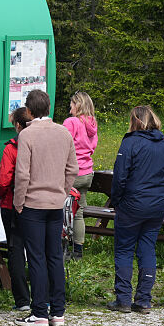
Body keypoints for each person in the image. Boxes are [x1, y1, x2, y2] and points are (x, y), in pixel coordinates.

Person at [13, 89, 77, 326]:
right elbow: (72, 168)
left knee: (36, 257)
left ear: (28, 111)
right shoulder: (64, 133)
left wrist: (19, 201)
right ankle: (57, 311)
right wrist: (62, 190)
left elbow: (22, 174)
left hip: (32, 202)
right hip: (55, 202)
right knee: (54, 257)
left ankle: (39, 312)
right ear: (48, 107)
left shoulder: (27, 135)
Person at [107, 105, 164, 315]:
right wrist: (163, 198)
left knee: (125, 249)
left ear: (135, 121)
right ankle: (144, 300)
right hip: (156, 205)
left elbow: (119, 177)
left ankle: (123, 299)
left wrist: (116, 201)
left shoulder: (129, 143)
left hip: (132, 204)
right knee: (147, 248)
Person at [0, 107, 33, 313]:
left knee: (15, 250)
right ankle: (43, 295)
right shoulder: (40, 143)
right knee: (38, 250)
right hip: (39, 203)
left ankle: (22, 299)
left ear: (17, 125)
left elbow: (3, 179)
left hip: (12, 203)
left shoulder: (13, 147)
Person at [63, 91, 98, 260]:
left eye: (72, 107)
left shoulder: (72, 122)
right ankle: (78, 249)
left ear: (78, 105)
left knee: (64, 210)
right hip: (87, 173)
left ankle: (65, 248)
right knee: (79, 212)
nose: (70, 111)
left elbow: (61, 144)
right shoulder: (92, 124)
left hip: (72, 173)